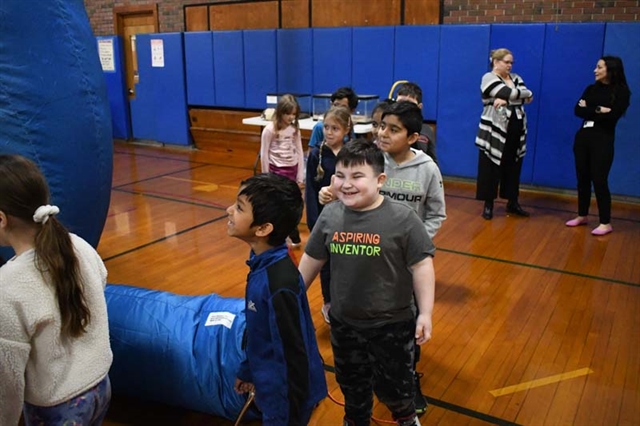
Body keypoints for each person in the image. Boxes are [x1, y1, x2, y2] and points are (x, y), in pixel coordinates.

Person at [299, 139, 436, 426]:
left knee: (397, 385)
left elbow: (422, 265)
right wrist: (294, 298)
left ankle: (406, 418)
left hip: (392, 325)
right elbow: (312, 260)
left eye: (357, 176)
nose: (346, 184)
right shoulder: (331, 215)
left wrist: (425, 313)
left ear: (380, 180)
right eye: (340, 175)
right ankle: (355, 419)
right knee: (352, 385)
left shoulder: (403, 219)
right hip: (345, 324)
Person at [0, 154, 112, 426]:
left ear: (1, 219)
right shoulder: (77, 245)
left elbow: (8, 376)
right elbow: (100, 283)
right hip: (100, 386)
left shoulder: (9, 285)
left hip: (58, 407)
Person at [227, 173, 327, 425]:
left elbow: (294, 353)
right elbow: (257, 329)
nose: (229, 211)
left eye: (239, 208)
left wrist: (288, 414)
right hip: (269, 387)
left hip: (286, 399)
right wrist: (248, 370)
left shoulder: (279, 283)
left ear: (262, 228)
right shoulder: (261, 264)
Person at [377, 100, 445, 414]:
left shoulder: (428, 169)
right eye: (381, 126)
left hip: (407, 262)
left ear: (413, 137)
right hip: (371, 255)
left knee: (408, 322)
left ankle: (408, 379)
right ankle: (376, 373)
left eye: (393, 129)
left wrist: (416, 243)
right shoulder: (373, 161)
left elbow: (436, 214)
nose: (383, 133)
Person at [565, 56, 631, 236]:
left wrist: (591, 109)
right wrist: (598, 109)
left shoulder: (621, 91)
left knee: (599, 179)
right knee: (582, 178)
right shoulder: (590, 88)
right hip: (583, 137)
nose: (595, 70)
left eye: (599, 67)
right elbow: (578, 110)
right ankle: (582, 215)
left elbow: (613, 115)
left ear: (610, 70)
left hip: (602, 139)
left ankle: (605, 222)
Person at [305, 105, 353, 324]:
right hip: (325, 218)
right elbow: (311, 190)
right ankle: (328, 302)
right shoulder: (316, 154)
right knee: (325, 262)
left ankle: (347, 300)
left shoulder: (351, 154)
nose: (329, 132)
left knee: (345, 261)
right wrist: (313, 220)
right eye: (326, 127)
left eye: (335, 128)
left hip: (348, 217)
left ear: (346, 129)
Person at [475, 48, 534, 220]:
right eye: (506, 62)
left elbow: (529, 95)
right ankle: (488, 204)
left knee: (514, 165)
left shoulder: (516, 78)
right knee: (490, 166)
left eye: (511, 62)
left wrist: (508, 99)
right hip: (494, 129)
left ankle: (512, 202)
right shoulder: (488, 77)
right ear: (496, 61)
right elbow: (510, 93)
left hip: (516, 127)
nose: (510, 65)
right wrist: (514, 97)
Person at [260, 94, 305, 247]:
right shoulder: (269, 130)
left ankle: (293, 235)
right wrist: (266, 176)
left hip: (291, 170)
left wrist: (300, 175)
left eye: (294, 114)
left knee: (290, 204)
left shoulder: (294, 130)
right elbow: (264, 153)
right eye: (288, 114)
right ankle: (281, 236)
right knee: (278, 204)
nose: (291, 117)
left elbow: (299, 152)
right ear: (280, 112)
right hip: (276, 171)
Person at [396, 82, 438, 164]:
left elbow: (433, 161)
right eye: (401, 103)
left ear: (419, 107)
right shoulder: (388, 128)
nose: (404, 108)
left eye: (410, 104)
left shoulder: (426, 130)